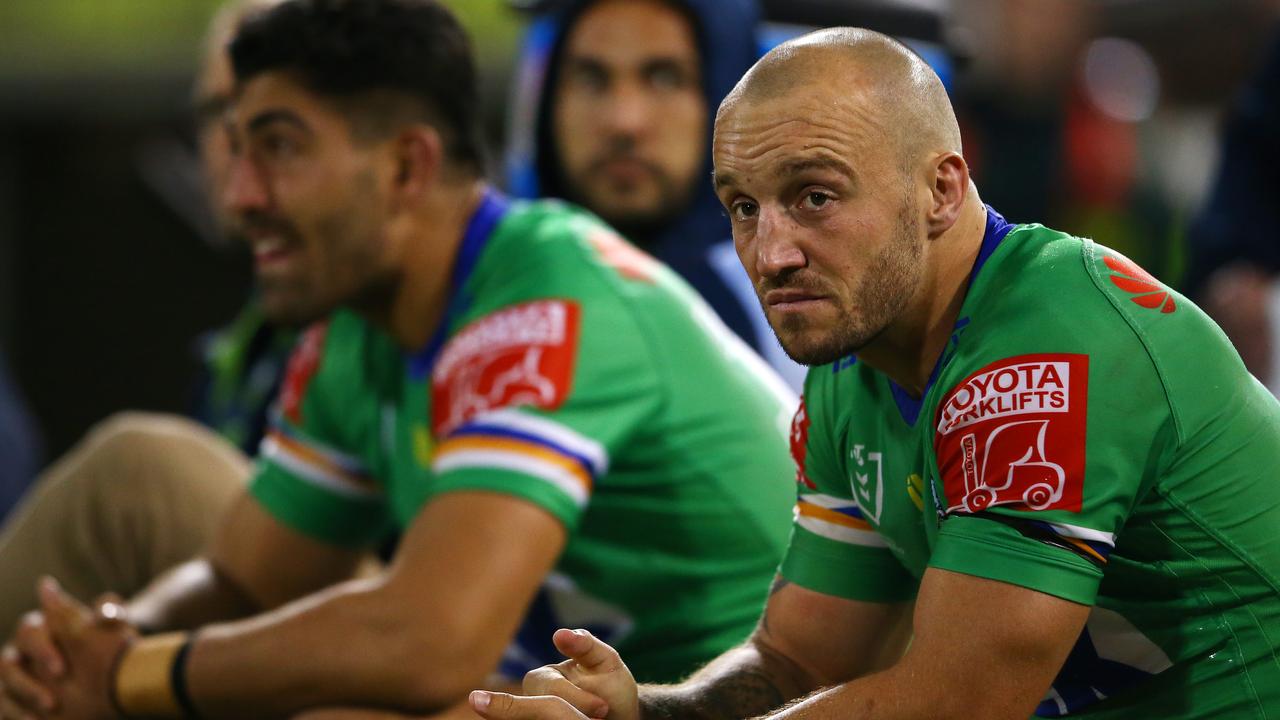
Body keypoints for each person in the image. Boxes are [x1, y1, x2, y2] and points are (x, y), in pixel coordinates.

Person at [0, 1, 796, 718]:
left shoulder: (544, 301)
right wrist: (109, 642)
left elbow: (428, 645)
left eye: (278, 147)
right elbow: (248, 578)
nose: (241, 195)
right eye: (234, 148)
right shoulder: (355, 324)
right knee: (136, 474)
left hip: (690, 703)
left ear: (408, 166)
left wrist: (136, 677)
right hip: (530, 689)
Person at [467, 28, 1280, 720]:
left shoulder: (1049, 348)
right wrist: (650, 709)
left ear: (941, 188)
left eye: (814, 196)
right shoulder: (852, 361)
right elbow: (795, 660)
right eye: (744, 206)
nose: (772, 254)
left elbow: (962, 700)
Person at [0, 0, 290, 635]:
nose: (233, 145)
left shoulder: (404, 302)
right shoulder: (243, 345)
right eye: (215, 113)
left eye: (269, 117)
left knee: (137, 468)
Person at [507, 0, 805, 389]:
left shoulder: (808, 306)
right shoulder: (477, 290)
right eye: (591, 79)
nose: (624, 121)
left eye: (665, 78)